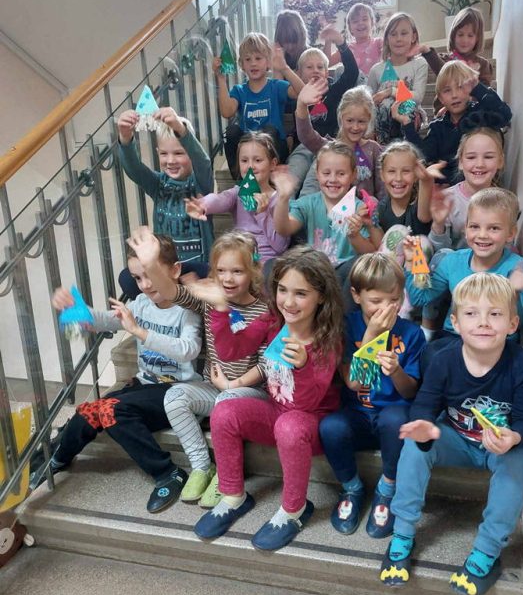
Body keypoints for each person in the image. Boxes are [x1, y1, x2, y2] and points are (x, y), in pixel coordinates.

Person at [380, 272, 523, 595]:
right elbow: (425, 404)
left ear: (512, 324)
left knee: (521, 461)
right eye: (471, 313)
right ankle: (403, 532)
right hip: (456, 440)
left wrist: (514, 438)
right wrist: (424, 425)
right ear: (455, 322)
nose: (483, 322)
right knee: (416, 443)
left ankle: (487, 549)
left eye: (495, 314)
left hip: (500, 447)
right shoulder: (443, 360)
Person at [194, 246, 344, 551]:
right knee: (225, 410)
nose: (288, 301)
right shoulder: (273, 322)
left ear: (321, 297)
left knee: (289, 426)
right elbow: (232, 351)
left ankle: (294, 510)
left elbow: (308, 402)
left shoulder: (329, 338)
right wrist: (221, 310)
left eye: (301, 294)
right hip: (276, 412)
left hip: (310, 424)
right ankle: (233, 496)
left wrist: (303, 365)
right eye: (283, 290)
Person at [48, 235, 202, 513]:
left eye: (150, 274)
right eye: (137, 278)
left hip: (179, 392)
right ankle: (56, 459)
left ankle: (167, 472)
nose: (145, 284)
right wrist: (78, 311)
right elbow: (107, 320)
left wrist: (140, 332)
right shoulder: (141, 303)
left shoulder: (187, 309)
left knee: (111, 410)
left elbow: (188, 350)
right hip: (146, 386)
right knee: (89, 412)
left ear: (174, 270)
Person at [128, 227, 270, 509]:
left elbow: (267, 365)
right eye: (221, 271)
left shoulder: (264, 310)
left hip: (250, 392)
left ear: (253, 271)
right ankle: (202, 467)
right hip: (212, 387)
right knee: (174, 397)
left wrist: (232, 385)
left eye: (237, 271)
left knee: (227, 402)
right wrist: (151, 264)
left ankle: (227, 475)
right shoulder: (207, 302)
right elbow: (170, 290)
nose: (227, 278)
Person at [320, 253, 425, 537]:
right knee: (330, 427)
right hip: (357, 413)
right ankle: (352, 487)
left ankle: (387, 489)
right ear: (356, 296)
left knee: (396, 420)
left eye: (394, 300)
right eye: (376, 301)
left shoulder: (412, 334)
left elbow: (410, 390)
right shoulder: (346, 327)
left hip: (392, 419)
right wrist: (372, 336)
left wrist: (397, 371)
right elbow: (353, 383)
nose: (386, 308)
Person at [402, 187, 523, 344]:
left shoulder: (516, 268)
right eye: (474, 227)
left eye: (494, 228)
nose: (482, 235)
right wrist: (411, 263)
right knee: (432, 354)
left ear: (511, 234)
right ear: (465, 229)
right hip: (455, 338)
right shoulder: (452, 262)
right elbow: (421, 298)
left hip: (497, 342)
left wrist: (512, 291)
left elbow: (516, 324)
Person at [116, 107, 213, 297]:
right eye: (164, 154)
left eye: (179, 153)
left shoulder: (201, 184)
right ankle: (155, 306)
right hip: (165, 268)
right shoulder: (158, 184)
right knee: (127, 278)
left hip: (197, 267)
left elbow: (203, 163)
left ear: (190, 152)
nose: (170, 160)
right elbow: (134, 169)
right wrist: (125, 138)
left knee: (203, 275)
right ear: (157, 152)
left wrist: (180, 129)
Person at [272, 141, 381, 300]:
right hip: (312, 273)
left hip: (344, 277)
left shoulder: (360, 209)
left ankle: (341, 315)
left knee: (356, 266)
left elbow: (371, 252)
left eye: (341, 174)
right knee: (274, 266)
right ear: (317, 173)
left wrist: (354, 236)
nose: (333, 179)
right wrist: (282, 198)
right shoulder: (308, 203)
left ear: (353, 175)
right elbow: (283, 228)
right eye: (326, 173)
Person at [394, 60, 512, 186]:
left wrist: (478, 88)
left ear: (470, 90)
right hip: (449, 186)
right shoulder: (438, 127)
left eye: (460, 87)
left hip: (479, 181)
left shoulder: (479, 115)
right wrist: (407, 123)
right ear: (441, 98)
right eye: (447, 90)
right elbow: (424, 154)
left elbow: (504, 114)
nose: (454, 95)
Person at [184, 131, 290, 263]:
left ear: (273, 164)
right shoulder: (238, 193)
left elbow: (280, 246)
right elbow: (221, 199)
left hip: (267, 262)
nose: (250, 166)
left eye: (258, 160)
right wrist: (203, 204)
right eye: (244, 161)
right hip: (240, 258)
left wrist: (263, 215)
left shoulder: (280, 200)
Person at [213, 32, 304, 174]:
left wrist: (284, 68)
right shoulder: (239, 90)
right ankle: (241, 178)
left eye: (258, 58)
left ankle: (268, 174)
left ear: (268, 62)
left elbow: (302, 93)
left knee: (269, 130)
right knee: (231, 132)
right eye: (248, 59)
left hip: (274, 149)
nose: (253, 63)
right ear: (242, 65)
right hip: (249, 153)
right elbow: (226, 112)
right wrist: (221, 79)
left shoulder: (276, 86)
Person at [286, 33, 359, 187]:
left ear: (326, 72)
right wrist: (291, 136)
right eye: (309, 67)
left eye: (320, 67)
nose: (315, 70)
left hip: (328, 148)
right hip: (303, 148)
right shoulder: (299, 96)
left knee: (312, 184)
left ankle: (306, 202)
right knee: (290, 180)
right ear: (299, 73)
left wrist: (341, 43)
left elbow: (352, 72)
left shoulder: (336, 91)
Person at [295, 81, 384, 199]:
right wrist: (301, 104)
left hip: (363, 210)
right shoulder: (329, 148)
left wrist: (378, 208)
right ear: (341, 118)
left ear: (369, 120)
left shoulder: (374, 149)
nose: (355, 127)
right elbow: (306, 136)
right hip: (331, 209)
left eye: (361, 121)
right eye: (350, 120)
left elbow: (382, 190)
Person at [429, 127, 504, 252]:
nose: (479, 164)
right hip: (454, 262)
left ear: (500, 161)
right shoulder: (448, 198)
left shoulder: (504, 202)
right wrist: (438, 223)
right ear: (461, 162)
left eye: (488, 157)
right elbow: (439, 252)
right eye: (471, 157)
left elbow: (505, 246)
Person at [415, 6, 493, 113]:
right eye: (460, 34)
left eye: (470, 35)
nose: (465, 40)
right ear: (453, 35)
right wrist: (427, 52)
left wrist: (469, 102)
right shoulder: (445, 59)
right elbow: (443, 70)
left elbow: (485, 93)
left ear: (477, 38)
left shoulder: (483, 65)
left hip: (471, 113)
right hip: (445, 112)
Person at [366, 12, 428, 145]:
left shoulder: (419, 64)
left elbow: (417, 97)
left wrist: (390, 91)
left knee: (403, 105)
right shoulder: (376, 69)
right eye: (393, 34)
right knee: (384, 104)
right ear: (387, 39)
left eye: (404, 33)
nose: (398, 38)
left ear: (413, 37)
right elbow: (369, 102)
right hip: (382, 123)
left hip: (409, 115)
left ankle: (406, 148)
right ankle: (382, 147)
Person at [377, 140, 436, 234]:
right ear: (382, 175)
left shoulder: (420, 205)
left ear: (416, 175)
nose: (398, 178)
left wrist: (425, 181)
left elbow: (424, 217)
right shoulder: (381, 209)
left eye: (406, 171)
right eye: (392, 171)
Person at [325, 2, 383, 80]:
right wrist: (328, 40)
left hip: (373, 84)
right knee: (340, 70)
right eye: (355, 21)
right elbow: (326, 63)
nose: (360, 23)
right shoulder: (346, 50)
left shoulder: (379, 43)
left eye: (364, 19)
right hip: (354, 86)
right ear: (350, 28)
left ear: (372, 23)